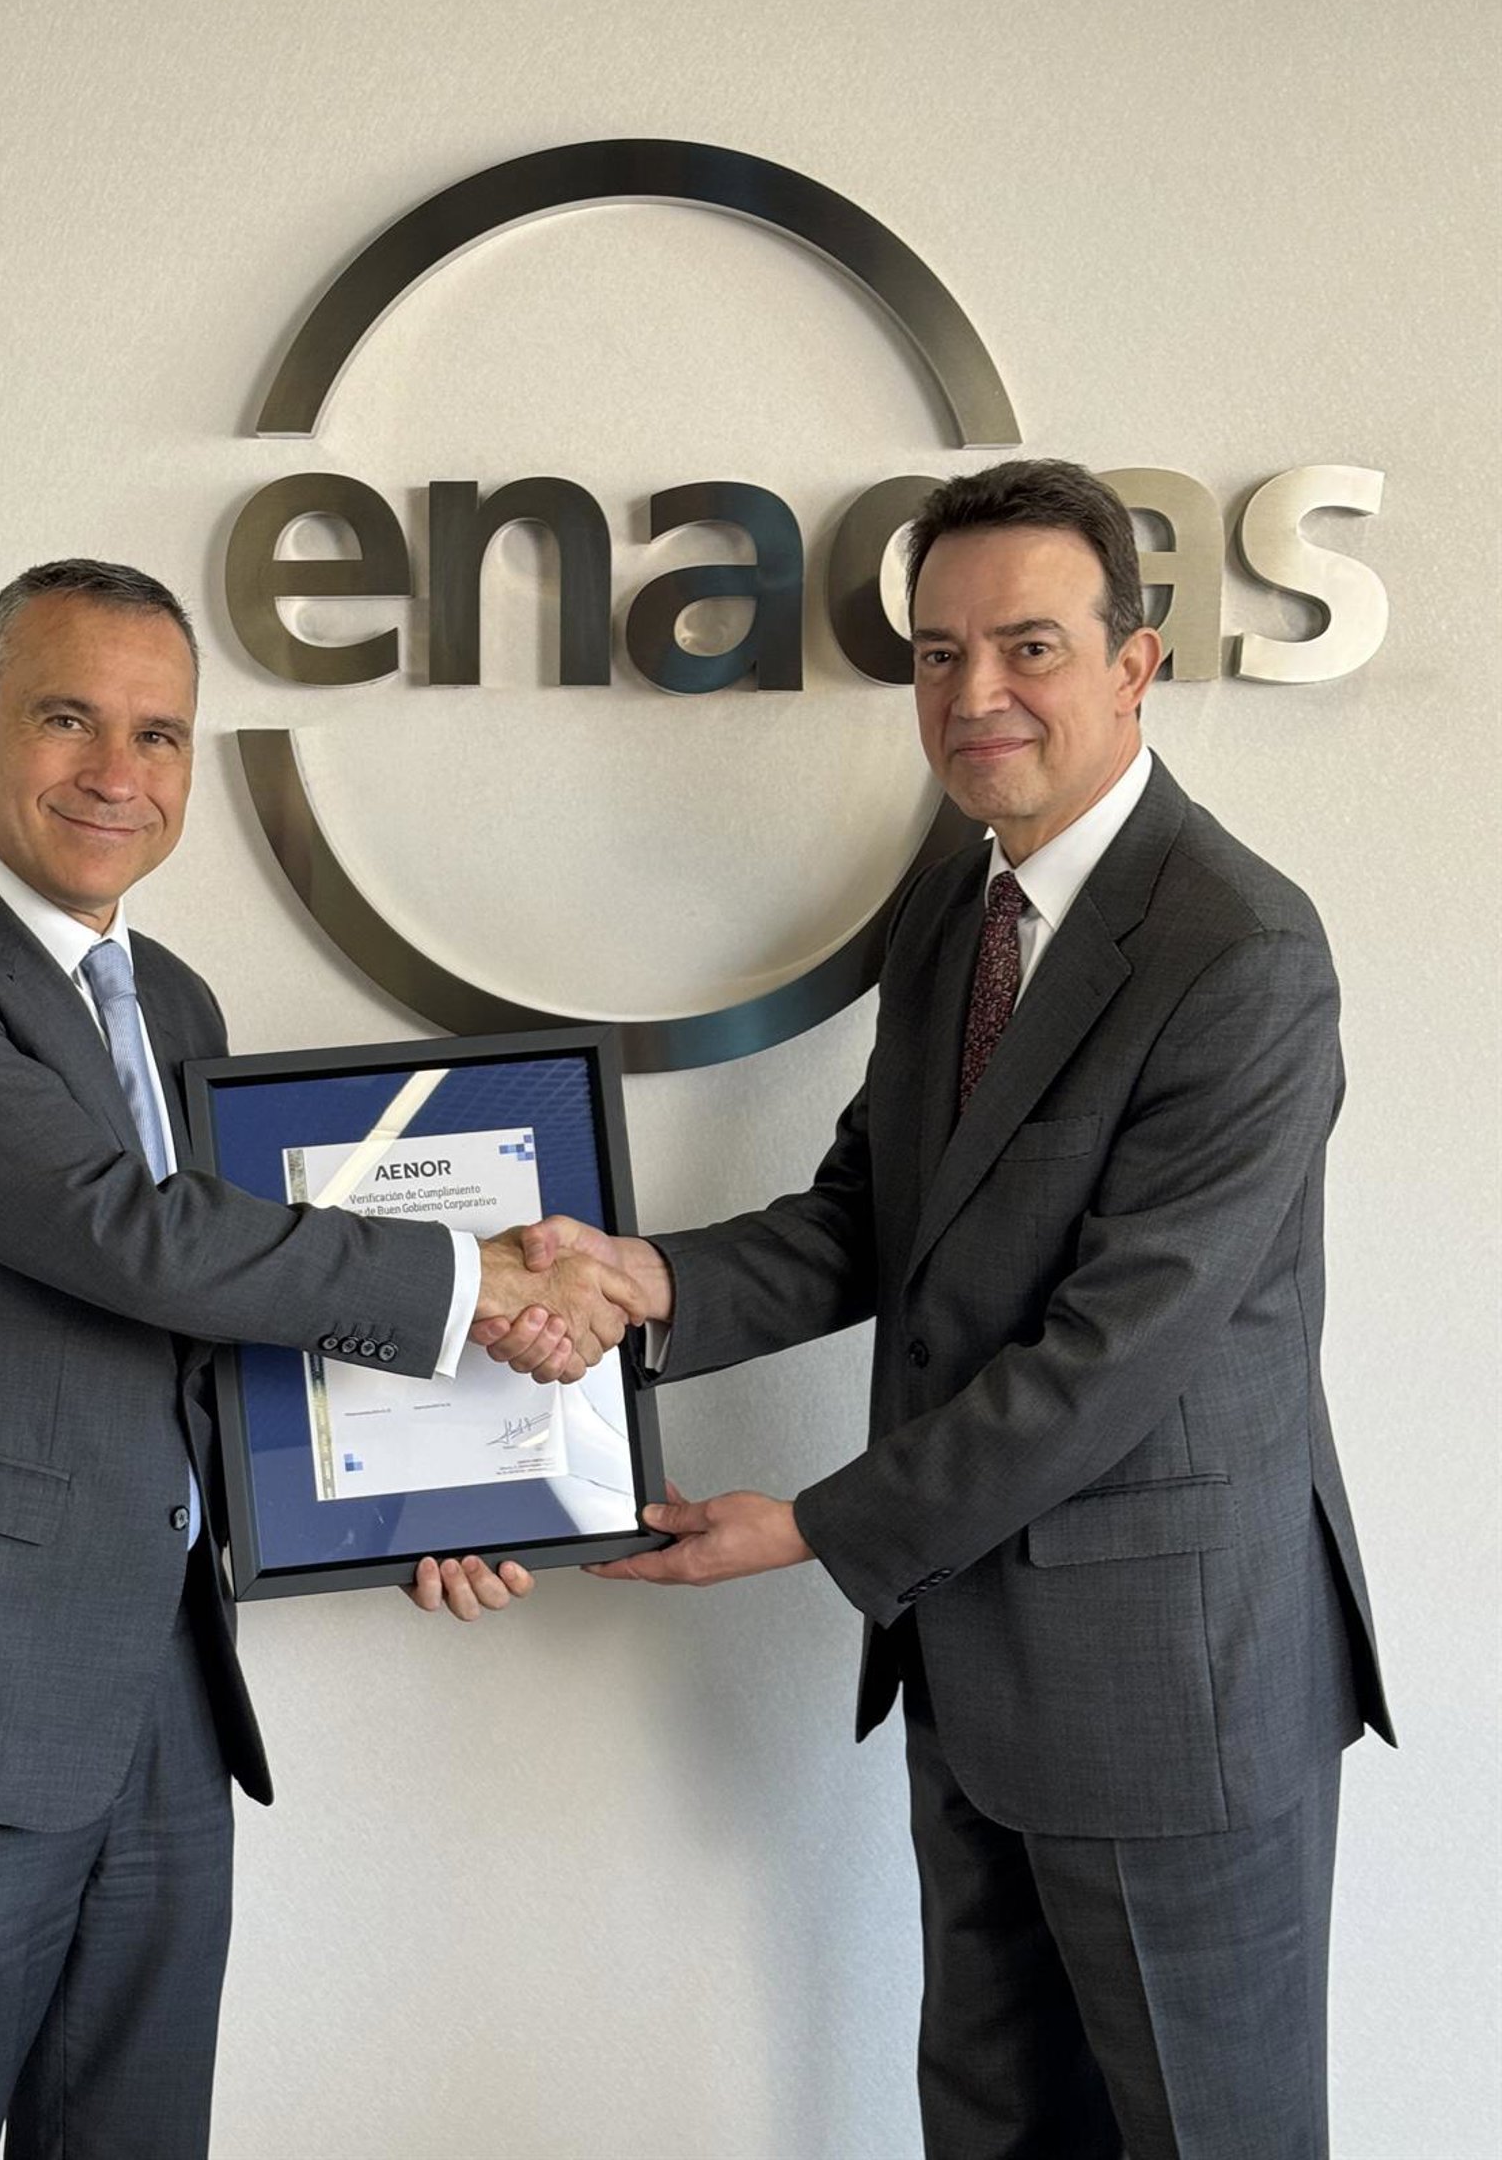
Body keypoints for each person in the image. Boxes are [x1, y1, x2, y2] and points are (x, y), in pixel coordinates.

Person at [481, 461, 1392, 2156]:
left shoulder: (1243, 952)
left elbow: (1108, 1361)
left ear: (1136, 663)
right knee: (988, 2125)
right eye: (938, 653)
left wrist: (809, 1527)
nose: (977, 694)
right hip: (973, 1671)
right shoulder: (954, 909)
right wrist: (643, 1280)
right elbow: (873, 1214)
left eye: (1030, 646)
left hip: (1173, 1688)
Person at [0, 558, 643, 2160]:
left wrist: (405, 1503)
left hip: (160, 1692)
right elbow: (125, 1233)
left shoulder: (172, 1001)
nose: (118, 770)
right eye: (68, 718)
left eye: (158, 734)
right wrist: (475, 1279)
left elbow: (217, 1318)